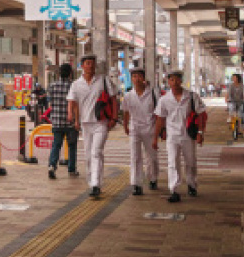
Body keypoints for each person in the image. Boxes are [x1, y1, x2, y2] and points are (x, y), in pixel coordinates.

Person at [154, 70, 208, 203]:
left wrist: (200, 133)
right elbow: (160, 119)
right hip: (172, 137)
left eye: (177, 79)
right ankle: (174, 190)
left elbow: (201, 114)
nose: (175, 82)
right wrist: (155, 137)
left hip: (188, 136)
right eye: (172, 80)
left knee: (190, 162)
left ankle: (192, 184)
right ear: (168, 82)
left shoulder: (191, 96)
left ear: (181, 80)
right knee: (172, 162)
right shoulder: (164, 100)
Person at [67, 53, 116, 198]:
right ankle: (93, 182)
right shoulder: (76, 84)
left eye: (92, 63)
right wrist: (73, 117)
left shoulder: (104, 81)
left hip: (101, 122)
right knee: (88, 155)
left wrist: (113, 117)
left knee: (96, 152)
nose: (90, 66)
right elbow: (72, 101)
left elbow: (113, 99)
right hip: (85, 123)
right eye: (87, 63)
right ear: (82, 66)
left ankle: (95, 184)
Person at [122, 67, 159, 196]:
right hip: (135, 129)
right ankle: (137, 184)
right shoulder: (128, 95)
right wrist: (125, 125)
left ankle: (153, 178)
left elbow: (159, 113)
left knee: (152, 156)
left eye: (139, 76)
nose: (136, 79)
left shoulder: (153, 94)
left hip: (150, 129)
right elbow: (126, 112)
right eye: (134, 77)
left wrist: (160, 130)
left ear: (144, 78)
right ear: (131, 79)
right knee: (135, 157)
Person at [47, 63, 78, 179]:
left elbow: (50, 102)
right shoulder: (73, 86)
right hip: (70, 122)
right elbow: (76, 104)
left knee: (56, 145)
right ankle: (71, 169)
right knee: (72, 146)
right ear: (70, 73)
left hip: (56, 121)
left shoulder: (52, 85)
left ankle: (52, 166)